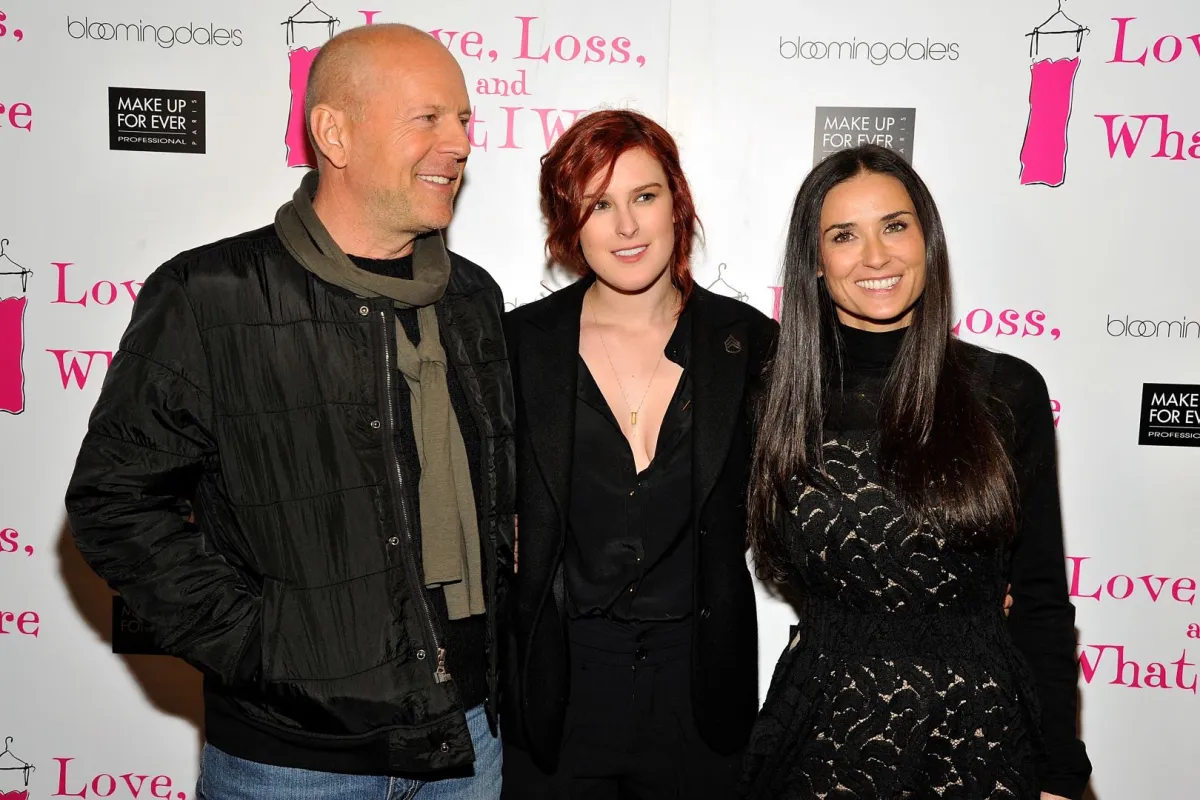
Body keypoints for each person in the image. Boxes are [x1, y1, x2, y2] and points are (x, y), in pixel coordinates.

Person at [63, 24, 514, 800]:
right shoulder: (210, 296)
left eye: (465, 120)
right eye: (429, 118)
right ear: (334, 132)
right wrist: (266, 649)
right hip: (293, 759)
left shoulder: (472, 299)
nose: (460, 143)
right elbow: (113, 502)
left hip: (467, 738)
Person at [738, 144, 1092, 799]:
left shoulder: (1005, 390)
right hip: (823, 735)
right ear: (815, 261)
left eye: (896, 226)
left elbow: (1041, 599)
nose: (876, 256)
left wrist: (1061, 773)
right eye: (844, 236)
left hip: (981, 736)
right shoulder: (774, 399)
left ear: (928, 240)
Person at [498, 109, 778, 799]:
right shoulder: (515, 347)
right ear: (569, 225)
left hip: (702, 698)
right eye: (599, 205)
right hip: (560, 700)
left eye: (643, 197)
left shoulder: (749, 345)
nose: (626, 227)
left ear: (676, 203)